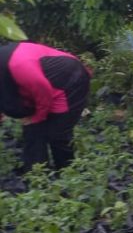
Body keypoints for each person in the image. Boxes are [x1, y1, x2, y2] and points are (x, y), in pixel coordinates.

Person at [0, 41, 90, 172]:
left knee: (57, 134)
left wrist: (37, 117)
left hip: (68, 81)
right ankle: (37, 173)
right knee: (32, 130)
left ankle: (67, 172)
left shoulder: (20, 65)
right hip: (40, 86)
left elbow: (43, 92)